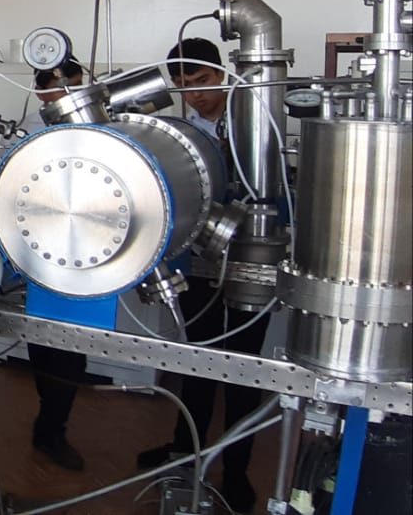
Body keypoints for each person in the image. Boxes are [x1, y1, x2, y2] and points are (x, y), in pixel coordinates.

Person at [137, 37, 270, 513]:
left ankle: (235, 471)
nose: (194, 94)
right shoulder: (179, 134)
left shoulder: (257, 123)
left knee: (243, 372)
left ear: (222, 75)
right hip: (196, 262)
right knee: (196, 362)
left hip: (251, 264)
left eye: (201, 81)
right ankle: (185, 454)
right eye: (184, 85)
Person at [16, 59, 89, 472]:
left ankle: (52, 427)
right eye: (66, 88)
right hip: (39, 248)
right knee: (43, 343)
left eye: (78, 87)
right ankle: (48, 421)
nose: (73, 96)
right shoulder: (29, 131)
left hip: (85, 251)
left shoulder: (95, 125)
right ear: (42, 91)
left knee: (74, 345)